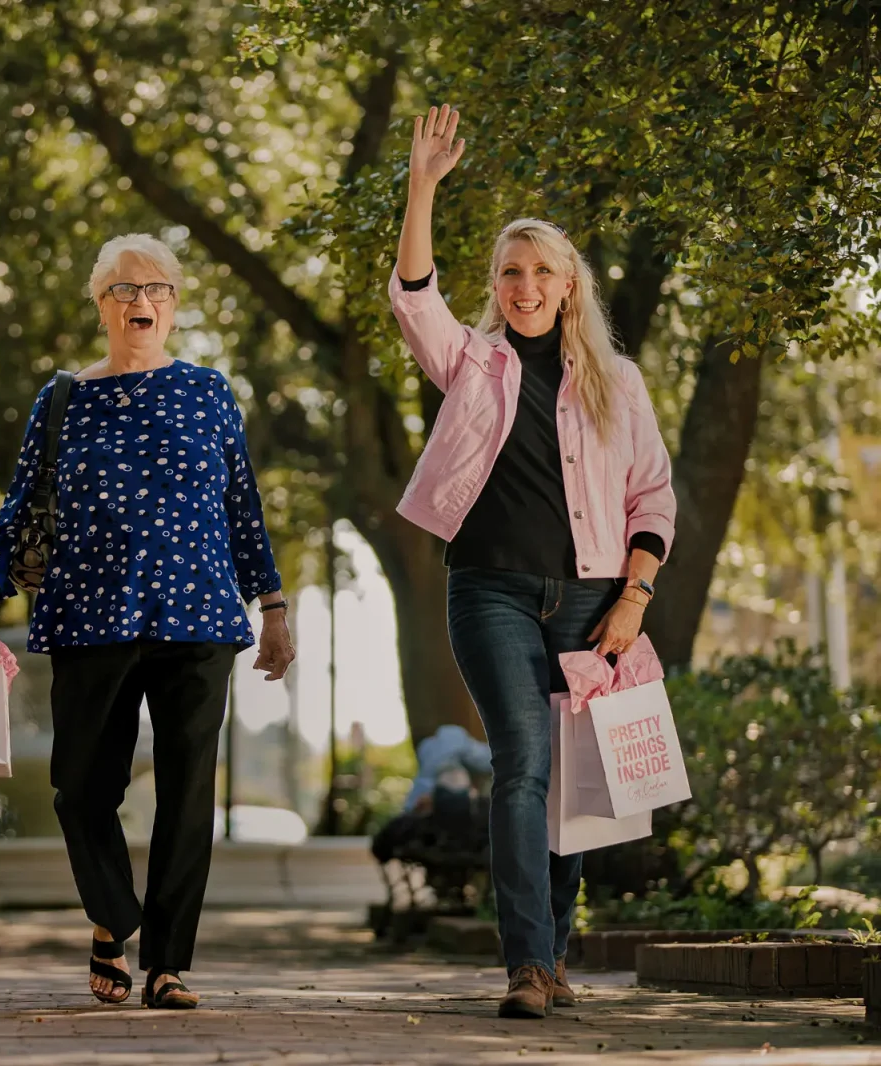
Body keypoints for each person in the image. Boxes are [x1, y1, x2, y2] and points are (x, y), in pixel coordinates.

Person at [389, 105, 676, 1019]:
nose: (524, 285)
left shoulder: (617, 384)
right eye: (510, 272)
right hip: (490, 592)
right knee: (521, 764)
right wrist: (423, 185)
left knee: (573, 776)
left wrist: (633, 597)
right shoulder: (470, 363)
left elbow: (654, 499)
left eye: (540, 271)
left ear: (568, 287)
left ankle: (553, 952)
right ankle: (525, 965)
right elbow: (413, 296)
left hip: (593, 598)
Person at [0, 233, 295, 1010]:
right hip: (88, 614)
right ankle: (116, 918)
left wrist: (273, 606)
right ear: (100, 305)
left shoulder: (212, 392)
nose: (140, 302)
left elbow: (242, 508)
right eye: (123, 290)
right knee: (80, 788)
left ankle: (168, 964)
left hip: (199, 616)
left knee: (187, 795)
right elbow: (20, 505)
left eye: (156, 289)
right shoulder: (63, 398)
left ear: (175, 306)